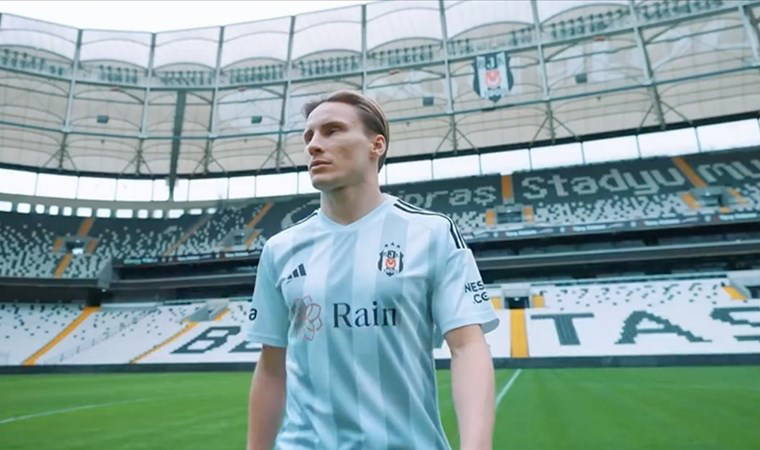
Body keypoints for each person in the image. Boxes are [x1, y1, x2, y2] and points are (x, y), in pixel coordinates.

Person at [246, 90, 498, 450]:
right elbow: (272, 366)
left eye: (332, 130)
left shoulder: (431, 233)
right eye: (309, 136)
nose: (314, 145)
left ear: (376, 145)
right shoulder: (280, 248)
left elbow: (468, 347)